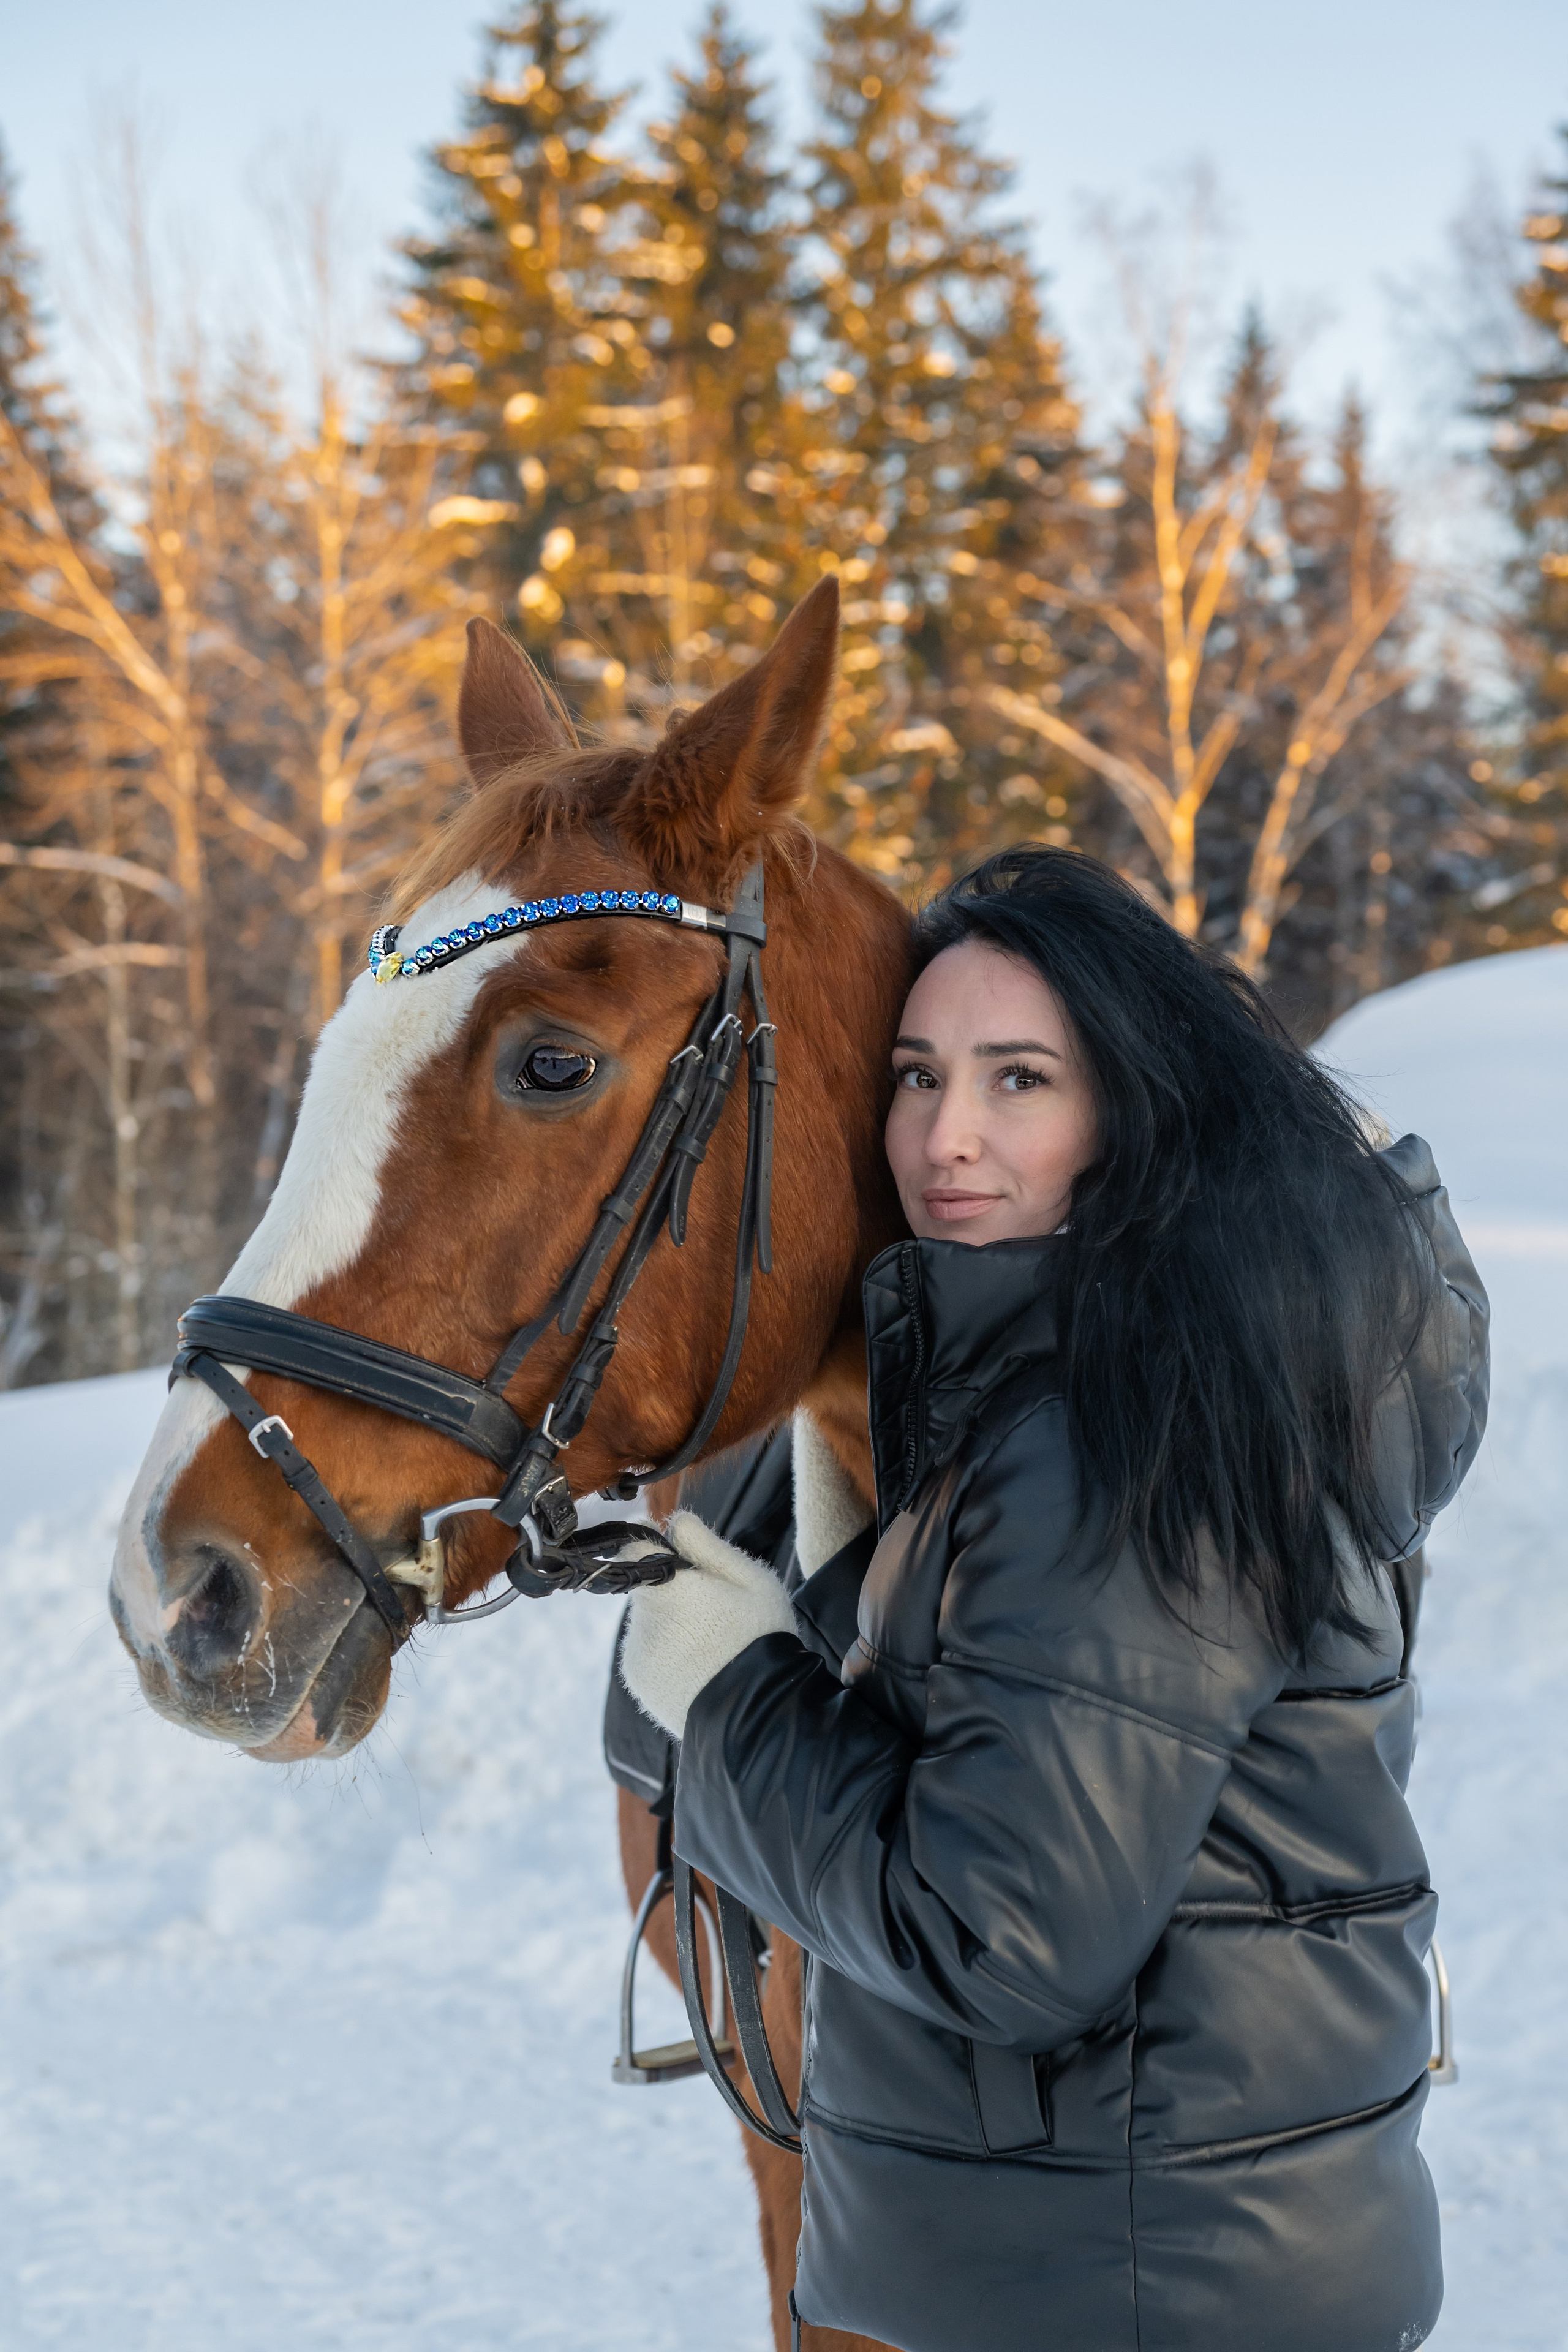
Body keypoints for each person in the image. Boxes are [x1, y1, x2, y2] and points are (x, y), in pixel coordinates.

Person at [618, 846, 1488, 2352]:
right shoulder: (1192, 1361)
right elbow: (1043, 1720)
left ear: (1130, 1112)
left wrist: (730, 1685)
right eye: (913, 1075)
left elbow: (999, 1940)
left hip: (1132, 2283)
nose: (941, 1139)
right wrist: (848, 1574)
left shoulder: (1119, 1425)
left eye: (1018, 1079)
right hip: (1169, 2252)